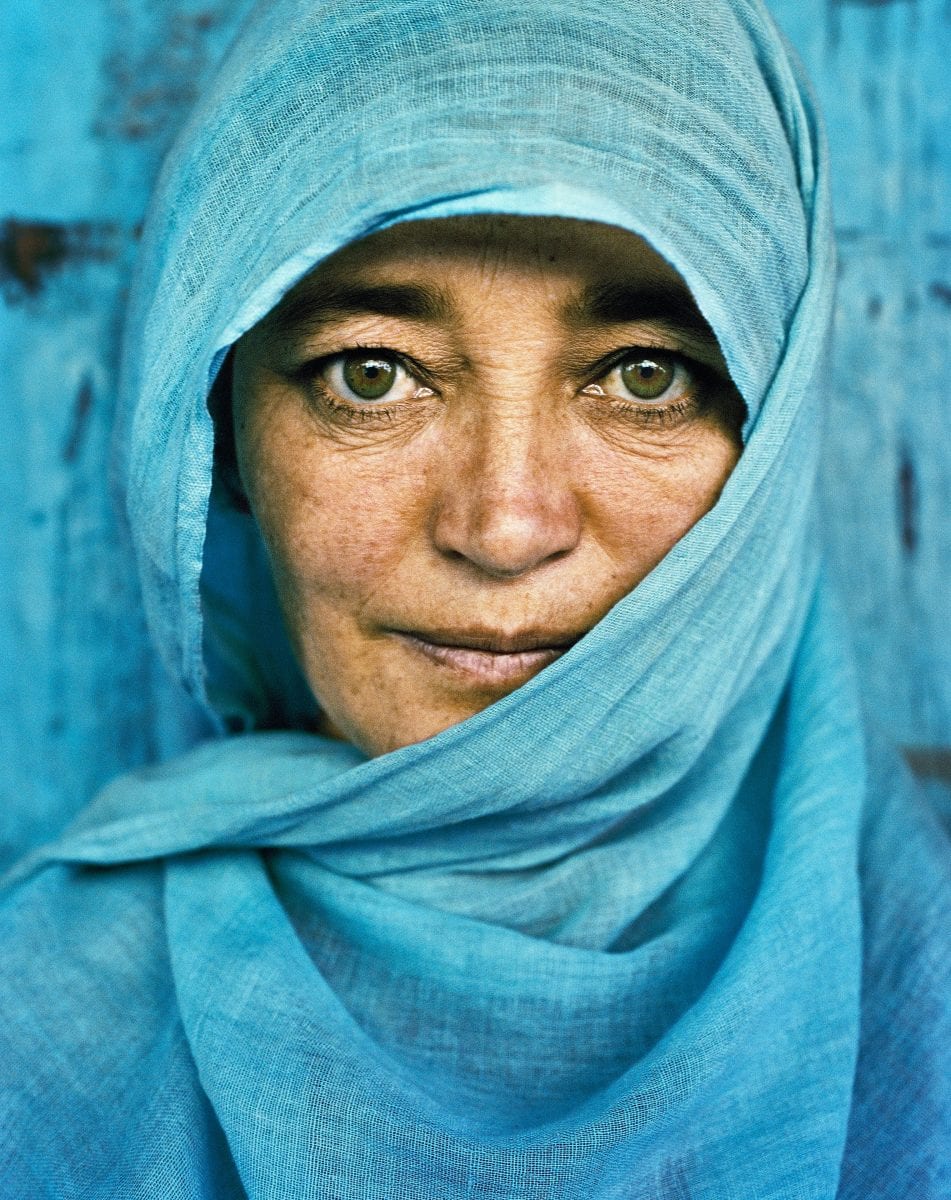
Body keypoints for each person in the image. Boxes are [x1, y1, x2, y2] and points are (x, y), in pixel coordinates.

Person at [1, 0, 947, 1195]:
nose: (506, 528)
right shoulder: (39, 1030)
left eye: (644, 377)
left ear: (771, 441)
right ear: (221, 440)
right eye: (371, 374)